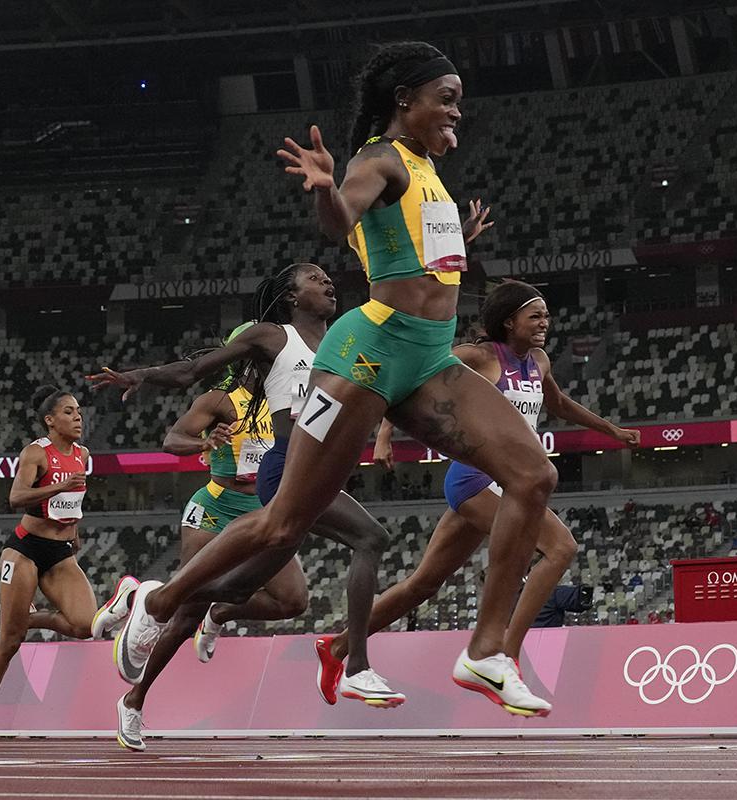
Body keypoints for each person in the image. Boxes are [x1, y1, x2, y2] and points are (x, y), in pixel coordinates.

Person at [98, 41, 558, 717]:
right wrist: (324, 189)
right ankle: (156, 600)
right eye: (447, 98)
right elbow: (343, 214)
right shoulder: (378, 158)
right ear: (406, 101)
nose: (458, 111)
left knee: (534, 477)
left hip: (428, 357)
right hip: (366, 354)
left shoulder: (429, 172)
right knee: (284, 523)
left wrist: (461, 233)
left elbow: (419, 255)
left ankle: (486, 651)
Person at [89, 263, 404, 739]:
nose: (327, 283)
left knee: (242, 590)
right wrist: (143, 375)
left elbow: (385, 370)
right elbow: (195, 369)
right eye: (314, 279)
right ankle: (353, 662)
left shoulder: (342, 340)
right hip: (284, 471)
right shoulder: (272, 337)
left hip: (319, 472)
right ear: (292, 297)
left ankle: (148, 598)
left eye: (327, 277)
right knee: (371, 537)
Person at [322, 280, 639, 679]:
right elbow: (413, 374)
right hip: (475, 478)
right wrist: (385, 433)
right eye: (535, 315)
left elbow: (558, 404)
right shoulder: (479, 356)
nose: (546, 322)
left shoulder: (539, 360)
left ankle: (336, 646)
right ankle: (504, 655)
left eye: (546, 315)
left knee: (423, 584)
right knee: (560, 548)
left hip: (510, 482)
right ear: (509, 321)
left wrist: (610, 430)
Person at [111, 323, 314, 752]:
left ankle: (218, 615)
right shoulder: (221, 400)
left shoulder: (287, 396)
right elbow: (172, 439)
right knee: (185, 614)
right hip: (216, 508)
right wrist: (204, 440)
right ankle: (134, 699)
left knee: (293, 601)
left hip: (264, 511)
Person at [0, 386, 131, 744]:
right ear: (50, 420)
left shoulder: (83, 454)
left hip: (61, 553)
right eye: (70, 412)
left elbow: (74, 498)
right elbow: (16, 498)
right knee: (10, 642)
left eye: (79, 412)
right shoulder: (35, 453)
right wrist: (56, 488)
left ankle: (29, 616)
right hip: (25, 550)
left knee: (86, 626)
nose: (78, 418)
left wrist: (76, 530)